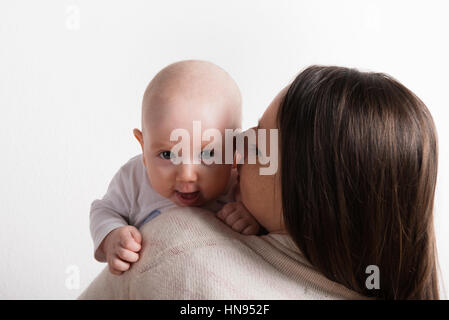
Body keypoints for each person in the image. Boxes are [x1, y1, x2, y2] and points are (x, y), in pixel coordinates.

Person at [80, 65, 439, 300]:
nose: (239, 147)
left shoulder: (184, 251)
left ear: (305, 189)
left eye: (258, 141)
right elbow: (105, 210)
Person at [90, 60, 260, 275]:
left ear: (234, 152)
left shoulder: (242, 185)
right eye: (168, 154)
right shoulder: (133, 179)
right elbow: (103, 210)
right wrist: (111, 235)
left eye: (207, 154)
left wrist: (250, 218)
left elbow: (271, 224)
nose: (187, 175)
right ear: (143, 147)